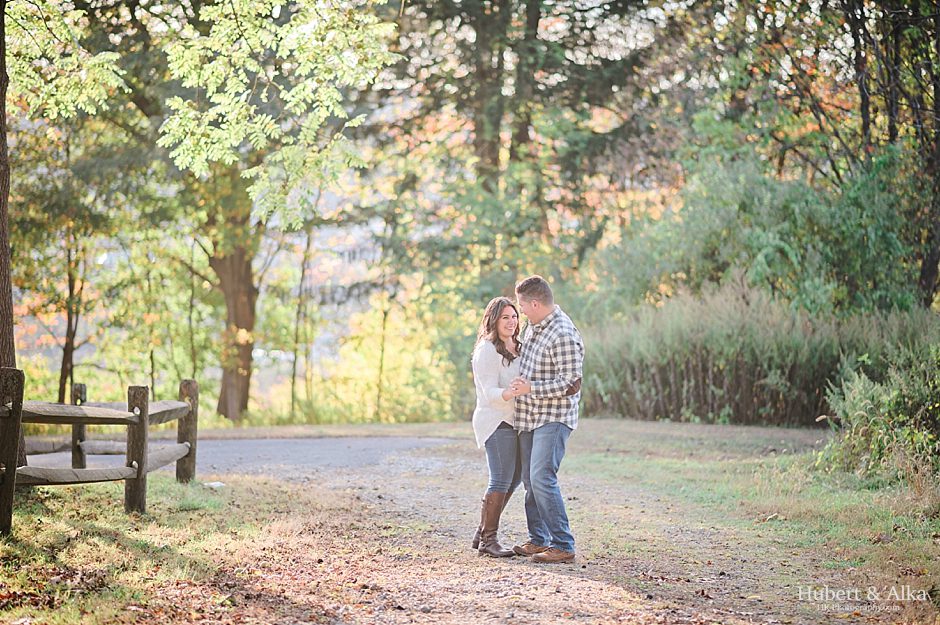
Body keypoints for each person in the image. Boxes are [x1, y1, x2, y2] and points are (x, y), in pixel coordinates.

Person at [509, 275, 584, 564]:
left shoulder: (562, 333)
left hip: (553, 417)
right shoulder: (534, 326)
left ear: (536, 303)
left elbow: (571, 383)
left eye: (523, 306)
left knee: (542, 477)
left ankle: (563, 544)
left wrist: (531, 388)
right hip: (530, 416)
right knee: (530, 479)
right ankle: (539, 539)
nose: (521, 312)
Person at [470, 296, 523, 557]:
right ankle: (488, 541)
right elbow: (488, 391)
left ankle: (481, 532)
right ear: (494, 320)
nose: (511, 322)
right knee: (501, 478)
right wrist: (509, 392)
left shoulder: (517, 345)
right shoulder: (487, 350)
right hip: (495, 419)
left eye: (514, 316)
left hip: (515, 421)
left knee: (515, 477)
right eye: (505, 317)